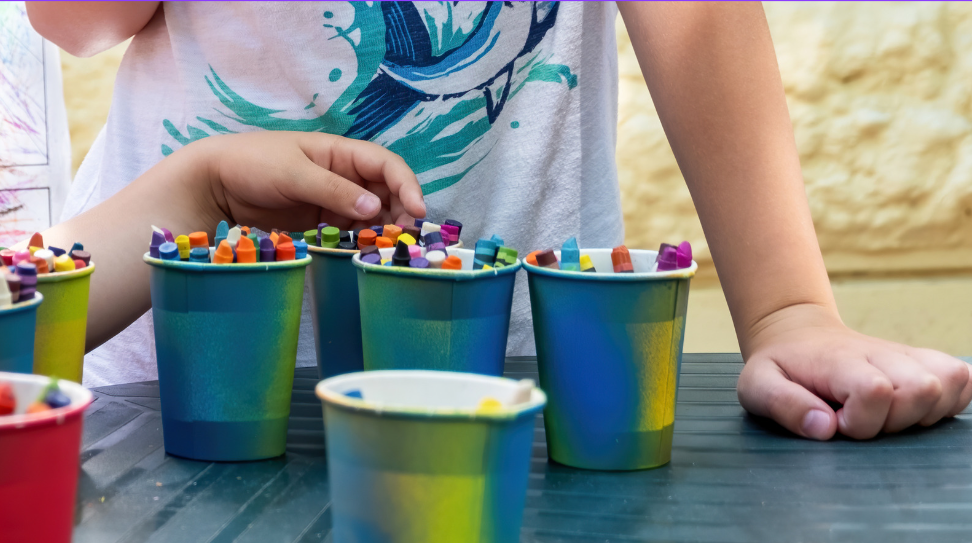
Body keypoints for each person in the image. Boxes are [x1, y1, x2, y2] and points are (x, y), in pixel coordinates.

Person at [26, 1, 972, 440]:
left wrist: (790, 309)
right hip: (173, 371)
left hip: (504, 372)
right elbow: (74, 18)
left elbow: (696, 15)